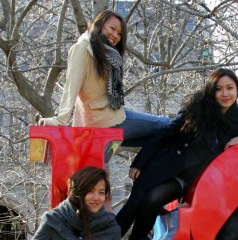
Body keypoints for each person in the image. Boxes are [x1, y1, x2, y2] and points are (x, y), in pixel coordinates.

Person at [115, 67, 238, 240]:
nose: (225, 94)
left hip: (185, 179)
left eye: (230, 88)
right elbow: (164, 134)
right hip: (161, 165)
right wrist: (139, 162)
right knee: (134, 205)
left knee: (153, 200)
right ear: (211, 91)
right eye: (219, 89)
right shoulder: (196, 109)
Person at [38, 10, 168, 146]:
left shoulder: (107, 54)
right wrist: (60, 120)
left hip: (108, 119)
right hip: (104, 123)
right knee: (166, 124)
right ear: (100, 24)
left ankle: (139, 166)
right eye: (112, 28)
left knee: (158, 137)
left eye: (120, 34)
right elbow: (71, 86)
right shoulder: (83, 48)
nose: (115, 35)